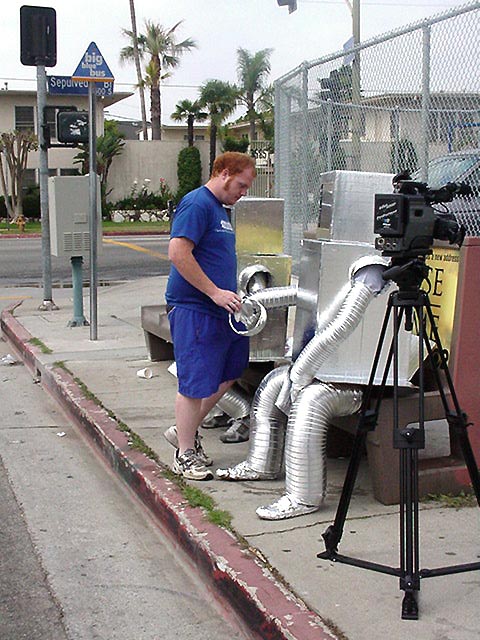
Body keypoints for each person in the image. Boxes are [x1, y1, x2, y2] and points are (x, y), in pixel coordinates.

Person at [164, 152, 256, 480]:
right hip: (194, 307)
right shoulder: (197, 204)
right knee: (194, 382)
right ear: (223, 173)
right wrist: (214, 293)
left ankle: (183, 432)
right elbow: (178, 252)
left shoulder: (220, 211)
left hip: (219, 309)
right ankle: (185, 452)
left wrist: (227, 294)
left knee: (229, 371)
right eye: (241, 184)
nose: (243, 192)